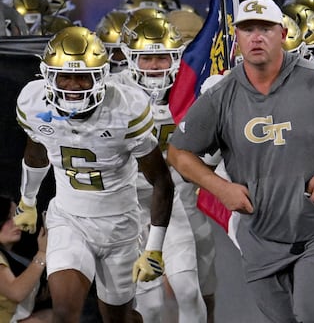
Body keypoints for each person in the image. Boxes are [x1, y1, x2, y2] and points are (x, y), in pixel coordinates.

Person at [166, 0, 314, 323]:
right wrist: (219, 188)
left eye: (265, 29)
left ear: (282, 34)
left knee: (313, 314)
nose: (256, 37)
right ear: (236, 38)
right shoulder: (221, 93)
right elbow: (178, 152)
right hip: (259, 233)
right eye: (248, 29)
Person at [13, 26, 174, 322]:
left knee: (118, 318)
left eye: (83, 76)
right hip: (68, 219)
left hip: (120, 226)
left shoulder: (126, 108)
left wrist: (155, 248)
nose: (73, 85)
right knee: (64, 313)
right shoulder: (34, 104)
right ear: (48, 75)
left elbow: (162, 180)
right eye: (65, 76)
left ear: (101, 76)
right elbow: (36, 152)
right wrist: (28, 201)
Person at [114, 17, 209, 322]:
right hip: (124, 207)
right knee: (149, 306)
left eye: (162, 57)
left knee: (189, 291)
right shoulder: (113, 93)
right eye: (147, 57)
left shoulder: (191, 89)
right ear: (130, 57)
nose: (155, 65)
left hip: (170, 201)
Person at [0, 194, 52, 323]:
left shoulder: (14, 257)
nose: (16, 222)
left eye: (16, 216)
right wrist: (42, 253)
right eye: (8, 218)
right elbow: (16, 292)